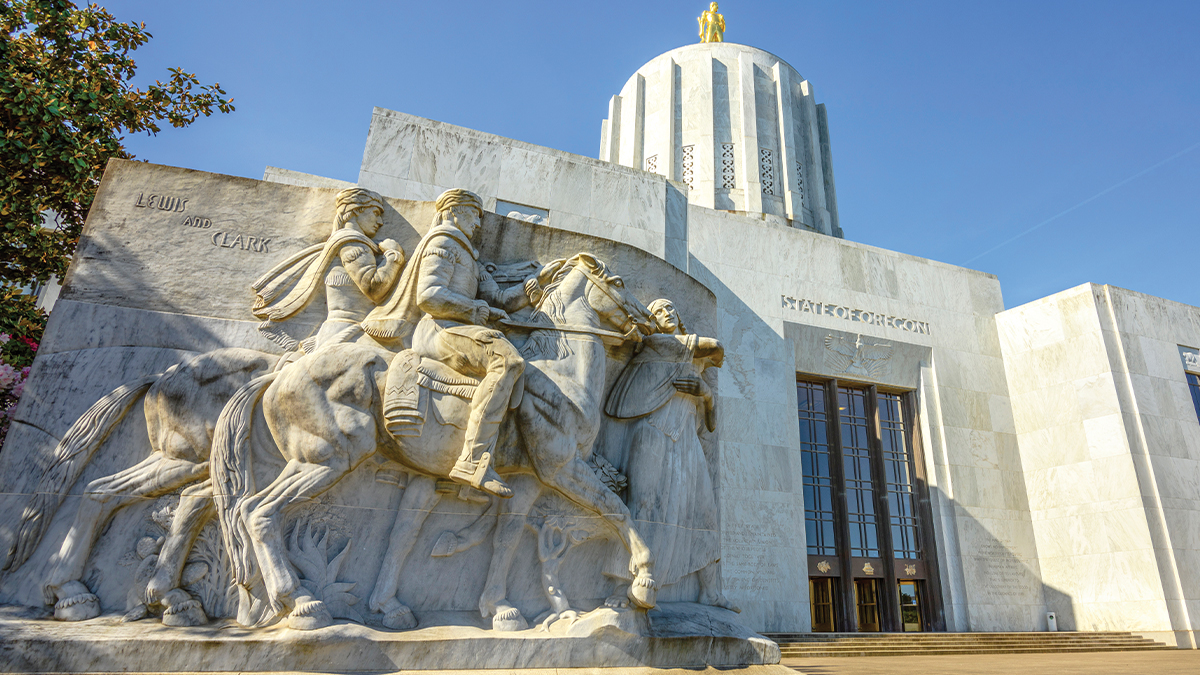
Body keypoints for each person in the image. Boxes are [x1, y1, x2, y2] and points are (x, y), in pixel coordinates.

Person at [363, 189, 533, 499]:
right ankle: (472, 461)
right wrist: (473, 310)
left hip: (459, 328)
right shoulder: (442, 244)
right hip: (438, 330)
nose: (477, 224)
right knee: (507, 361)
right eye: (473, 215)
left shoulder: (469, 254)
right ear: (452, 212)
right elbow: (429, 296)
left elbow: (499, 299)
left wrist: (532, 288)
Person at [603, 298, 737, 610]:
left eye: (671, 308)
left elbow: (712, 425)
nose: (667, 313)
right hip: (653, 434)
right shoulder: (657, 344)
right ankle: (625, 584)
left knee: (705, 515)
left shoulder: (693, 362)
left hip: (687, 442)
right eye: (659, 310)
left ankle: (710, 592)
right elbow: (716, 346)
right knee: (643, 506)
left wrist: (703, 393)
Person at [251, 188, 404, 352]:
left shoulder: (342, 242)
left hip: (336, 330)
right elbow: (374, 288)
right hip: (349, 334)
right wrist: (393, 255)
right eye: (375, 212)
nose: (380, 221)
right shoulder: (354, 244)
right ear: (356, 211)